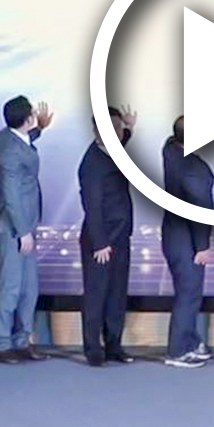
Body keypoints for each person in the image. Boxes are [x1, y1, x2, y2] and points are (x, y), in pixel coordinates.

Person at [0, 94, 52, 362]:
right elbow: (11, 194)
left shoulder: (9, 136)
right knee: (12, 287)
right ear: (28, 119)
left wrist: (40, 129)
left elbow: (24, 141)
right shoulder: (10, 152)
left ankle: (22, 340)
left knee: (29, 288)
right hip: (15, 228)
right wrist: (23, 231)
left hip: (27, 225)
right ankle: (2, 343)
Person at [77, 105, 138, 367]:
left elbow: (122, 143)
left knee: (117, 293)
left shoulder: (114, 149)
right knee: (96, 294)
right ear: (97, 130)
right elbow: (91, 205)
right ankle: (93, 349)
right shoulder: (91, 163)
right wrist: (100, 242)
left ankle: (114, 345)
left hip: (121, 235)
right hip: (100, 240)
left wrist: (130, 128)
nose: (117, 133)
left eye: (118, 128)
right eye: (112, 128)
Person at [162, 116, 214, 369]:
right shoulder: (193, 167)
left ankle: (191, 342)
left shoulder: (170, 151)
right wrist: (202, 245)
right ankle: (178, 351)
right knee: (189, 294)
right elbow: (199, 208)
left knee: (187, 292)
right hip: (188, 240)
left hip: (173, 235)